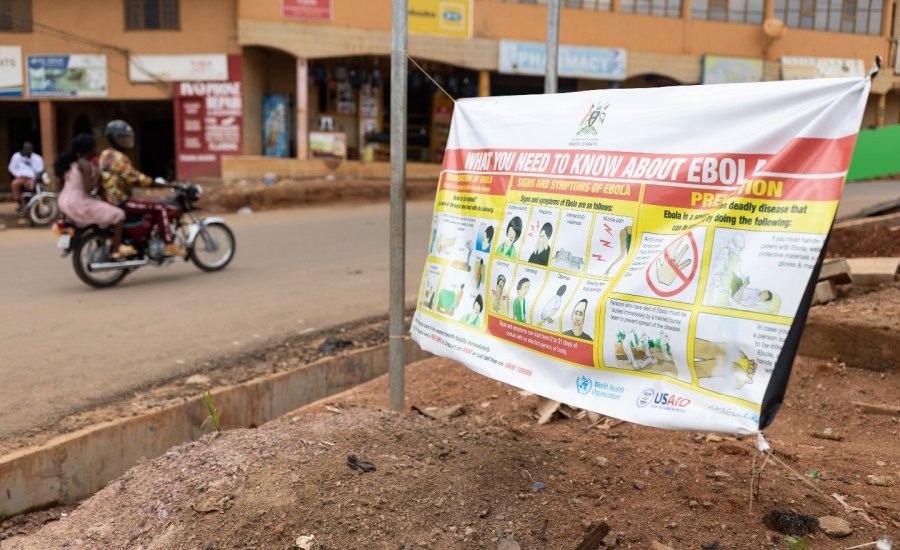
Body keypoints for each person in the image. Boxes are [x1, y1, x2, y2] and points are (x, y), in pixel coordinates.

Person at [99, 120, 184, 257]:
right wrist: (164, 185)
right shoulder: (119, 158)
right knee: (160, 207)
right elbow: (136, 178)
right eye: (122, 138)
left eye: (127, 138)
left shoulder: (105, 153)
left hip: (110, 197)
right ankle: (169, 245)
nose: (126, 141)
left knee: (148, 205)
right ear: (113, 138)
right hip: (119, 199)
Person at [56, 134, 134, 259]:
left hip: (65, 201)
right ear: (89, 149)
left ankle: (101, 244)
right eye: (94, 147)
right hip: (79, 202)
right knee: (119, 215)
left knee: (99, 218)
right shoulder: (85, 165)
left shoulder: (71, 163)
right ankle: (116, 250)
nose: (96, 150)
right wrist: (97, 174)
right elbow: (89, 189)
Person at [8, 141, 45, 212]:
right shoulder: (17, 156)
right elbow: (11, 167)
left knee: (32, 187)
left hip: (32, 178)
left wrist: (36, 176)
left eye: (29, 149)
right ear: (23, 149)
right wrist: (18, 175)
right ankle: (20, 204)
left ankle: (34, 205)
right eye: (26, 149)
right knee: (14, 184)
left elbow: (40, 170)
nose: (28, 151)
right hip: (21, 178)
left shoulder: (37, 158)